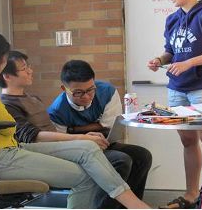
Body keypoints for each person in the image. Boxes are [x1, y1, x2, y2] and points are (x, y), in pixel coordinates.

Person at [0, 31, 150, 209]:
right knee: (87, 176)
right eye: (4, 59)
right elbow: (8, 126)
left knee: (89, 147)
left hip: (5, 151)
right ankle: (136, 206)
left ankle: (135, 205)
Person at [148, 0, 202, 209]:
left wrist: (189, 62)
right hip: (177, 88)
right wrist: (159, 60)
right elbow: (171, 51)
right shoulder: (172, 19)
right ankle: (191, 194)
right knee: (188, 140)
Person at [47, 59, 152, 203]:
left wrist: (74, 129)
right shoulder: (56, 110)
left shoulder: (107, 91)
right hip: (79, 150)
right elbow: (62, 143)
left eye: (90, 89)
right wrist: (87, 134)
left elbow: (109, 124)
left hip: (105, 141)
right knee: (122, 160)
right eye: (78, 92)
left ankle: (127, 206)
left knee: (142, 156)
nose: (86, 96)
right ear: (64, 88)